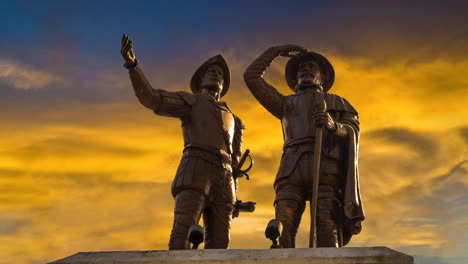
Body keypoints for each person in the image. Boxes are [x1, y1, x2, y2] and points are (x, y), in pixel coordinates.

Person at [121, 34, 245, 249]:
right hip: (195, 169)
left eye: (219, 74)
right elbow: (152, 98)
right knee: (182, 236)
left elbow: (236, 163)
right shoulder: (191, 101)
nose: (216, 75)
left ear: (224, 84)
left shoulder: (235, 119)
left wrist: (236, 196)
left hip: (225, 181)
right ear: (200, 82)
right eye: (211, 72)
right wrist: (133, 65)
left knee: (221, 246)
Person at [244, 45, 364, 248]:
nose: (305, 70)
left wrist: (333, 125)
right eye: (301, 68)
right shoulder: (285, 104)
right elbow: (252, 77)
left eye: (311, 67)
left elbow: (352, 130)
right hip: (292, 168)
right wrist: (275, 51)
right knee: (283, 225)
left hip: (327, 168)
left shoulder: (338, 102)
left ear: (322, 77)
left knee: (327, 228)